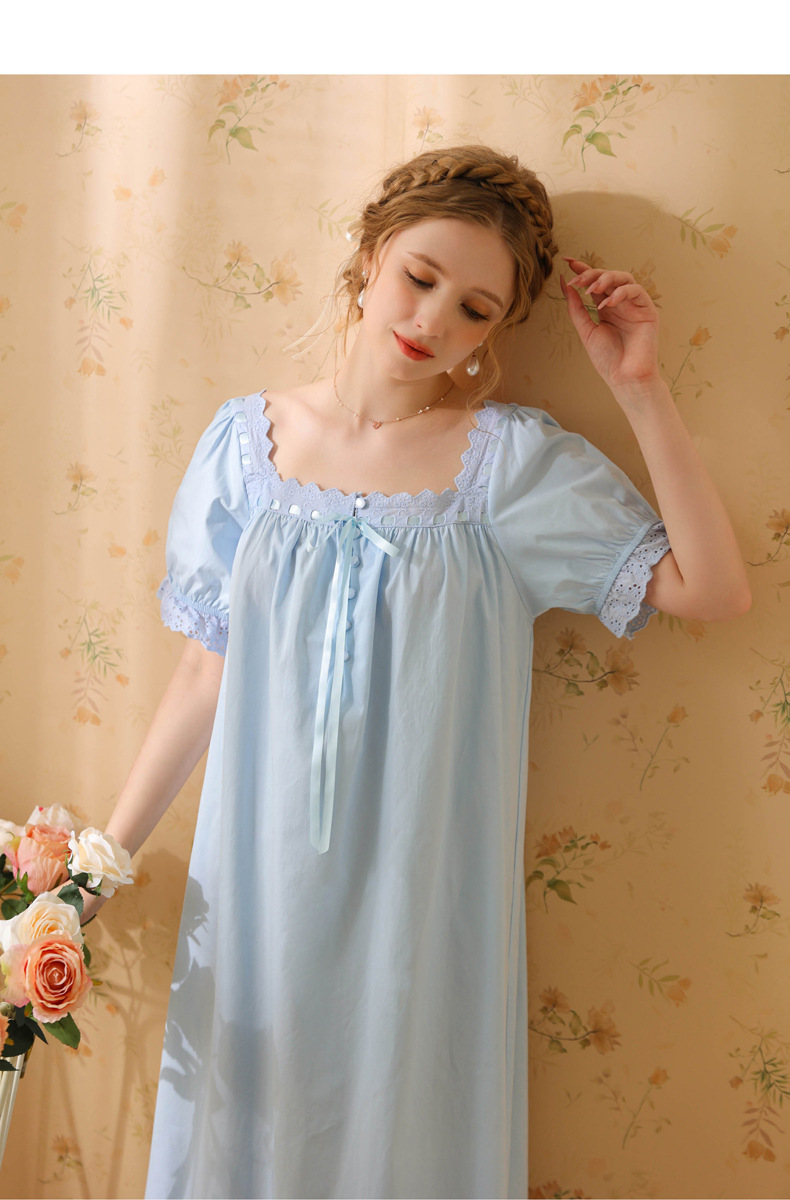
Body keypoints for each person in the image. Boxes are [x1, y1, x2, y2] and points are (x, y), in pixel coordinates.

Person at [81, 145, 750, 1200]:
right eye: (420, 277)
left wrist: (641, 389)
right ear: (371, 254)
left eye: (475, 309)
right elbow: (201, 676)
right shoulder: (244, 449)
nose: (433, 320)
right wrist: (92, 873)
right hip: (257, 890)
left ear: (497, 331)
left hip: (420, 903)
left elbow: (709, 589)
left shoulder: (508, 468)